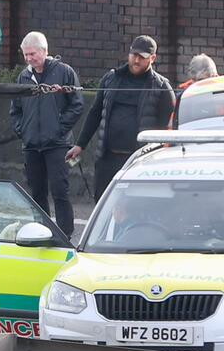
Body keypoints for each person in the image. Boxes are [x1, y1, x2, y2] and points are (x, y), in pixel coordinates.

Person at [69, 34, 175, 196]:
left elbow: (167, 130)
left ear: (153, 58)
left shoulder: (161, 87)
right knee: (103, 202)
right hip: (107, 157)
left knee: (135, 204)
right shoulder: (111, 79)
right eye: (134, 55)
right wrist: (80, 144)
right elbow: (95, 113)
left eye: (142, 57)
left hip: (139, 161)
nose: (136, 60)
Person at [9, 32, 84, 236]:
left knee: (60, 191)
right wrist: (23, 130)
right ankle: (41, 232)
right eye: (25, 55)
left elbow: (77, 105)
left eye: (32, 54)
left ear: (44, 51)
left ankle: (65, 234)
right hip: (32, 144)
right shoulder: (24, 76)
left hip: (57, 144)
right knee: (37, 192)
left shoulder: (64, 72)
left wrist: (59, 129)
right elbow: (15, 109)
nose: (28, 59)